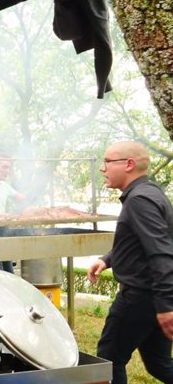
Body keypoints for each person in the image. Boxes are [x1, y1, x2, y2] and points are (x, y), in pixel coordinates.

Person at [87, 141, 173, 384]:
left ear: (129, 164)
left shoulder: (139, 200)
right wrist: (107, 260)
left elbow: (161, 251)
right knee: (159, 365)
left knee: (108, 360)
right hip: (151, 297)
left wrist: (166, 306)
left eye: (107, 161)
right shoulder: (149, 193)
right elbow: (140, 242)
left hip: (139, 297)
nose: (102, 168)